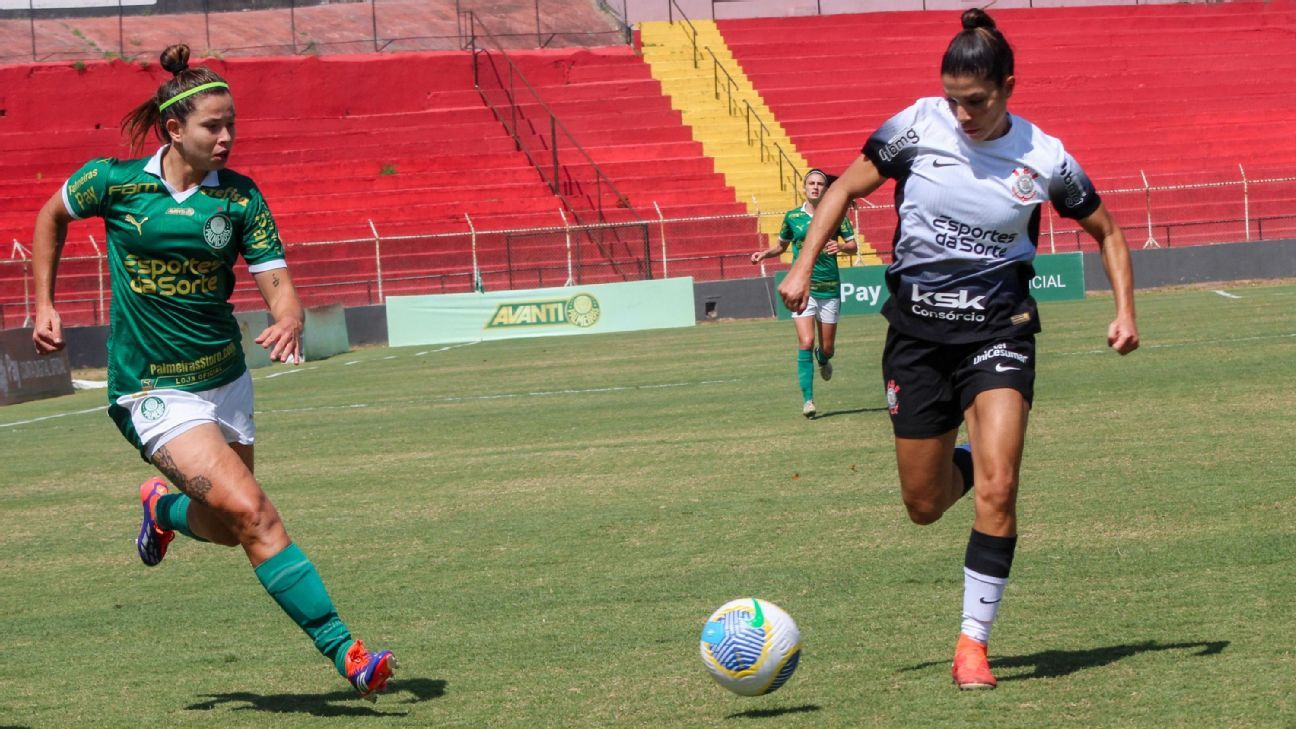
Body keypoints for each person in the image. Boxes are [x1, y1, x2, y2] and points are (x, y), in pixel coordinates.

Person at [778, 9, 1139, 690]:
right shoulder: (915, 126)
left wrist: (1124, 309)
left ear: (1008, 86)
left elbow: (1109, 231)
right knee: (924, 502)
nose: (962, 113)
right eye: (953, 98)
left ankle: (973, 643)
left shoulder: (1044, 156)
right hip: (916, 338)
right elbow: (849, 187)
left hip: (999, 331)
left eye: (976, 100)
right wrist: (802, 264)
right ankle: (966, 461)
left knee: (1001, 488)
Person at [29, 44, 396, 701]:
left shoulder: (242, 200)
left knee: (230, 527)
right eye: (212, 126)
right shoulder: (113, 183)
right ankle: (351, 652)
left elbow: (278, 281)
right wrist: (44, 301)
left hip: (225, 380)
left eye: (232, 124)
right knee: (256, 514)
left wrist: (289, 317)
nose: (227, 137)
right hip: (149, 389)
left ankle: (162, 508)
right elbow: (51, 215)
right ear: (175, 130)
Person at [752, 169, 860, 418]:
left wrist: (841, 246)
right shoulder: (792, 217)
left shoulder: (837, 215)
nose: (815, 187)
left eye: (820, 183)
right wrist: (763, 254)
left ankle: (823, 359)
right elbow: (782, 246)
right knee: (806, 342)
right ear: (803, 188)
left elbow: (853, 246)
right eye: (810, 183)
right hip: (803, 289)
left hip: (829, 287)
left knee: (827, 348)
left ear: (825, 189)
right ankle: (808, 401)